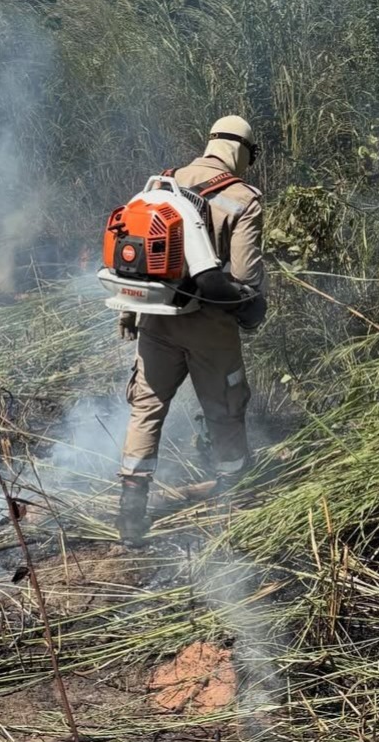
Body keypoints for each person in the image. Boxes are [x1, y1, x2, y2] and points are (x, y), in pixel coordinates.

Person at [114, 115, 267, 544]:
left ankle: (130, 516)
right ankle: (233, 509)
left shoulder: (161, 183)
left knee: (146, 408)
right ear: (241, 151)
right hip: (210, 327)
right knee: (225, 410)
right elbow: (245, 278)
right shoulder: (243, 198)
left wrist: (128, 314)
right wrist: (255, 307)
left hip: (155, 320)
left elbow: (132, 259)